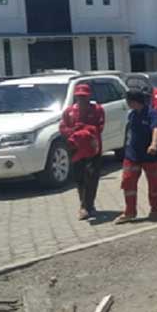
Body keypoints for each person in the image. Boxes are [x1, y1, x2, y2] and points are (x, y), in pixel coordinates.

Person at [115, 91, 157, 224]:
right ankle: (130, 211)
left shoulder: (152, 114)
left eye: (129, 101)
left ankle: (155, 209)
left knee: (154, 184)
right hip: (132, 155)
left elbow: (156, 129)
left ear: (135, 101)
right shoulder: (131, 115)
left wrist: (154, 144)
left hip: (150, 156)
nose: (127, 103)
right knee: (128, 182)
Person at [59, 84, 105, 220]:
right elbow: (63, 128)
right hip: (76, 149)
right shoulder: (69, 112)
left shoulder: (97, 110)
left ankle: (86, 206)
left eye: (84, 97)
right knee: (80, 178)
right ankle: (85, 203)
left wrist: (85, 129)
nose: (82, 100)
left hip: (92, 148)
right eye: (79, 97)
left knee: (92, 176)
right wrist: (73, 131)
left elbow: (100, 127)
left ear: (89, 96)